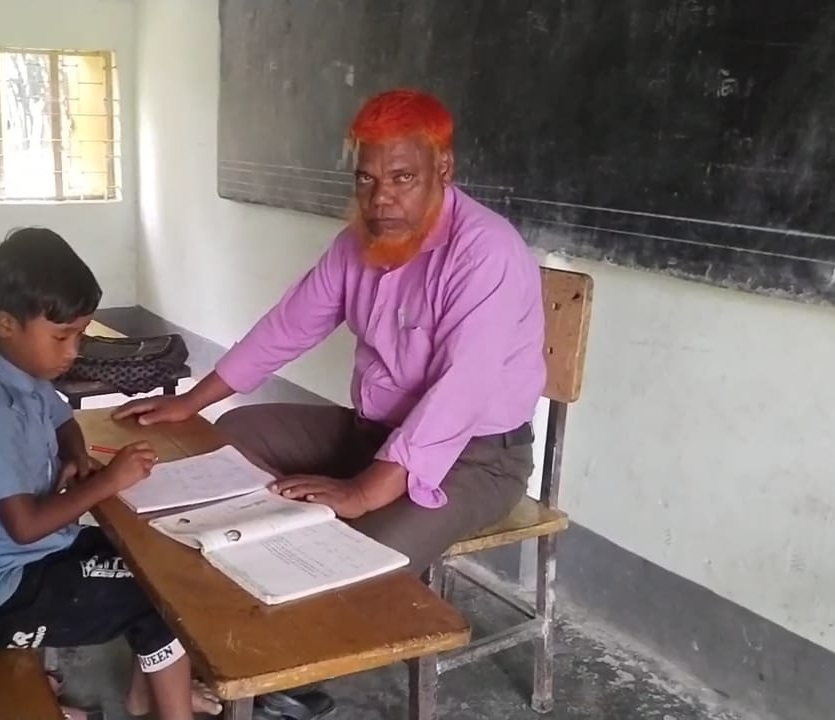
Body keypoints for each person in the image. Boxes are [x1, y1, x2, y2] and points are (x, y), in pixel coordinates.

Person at [113, 89, 546, 719]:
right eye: (367, 179)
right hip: (373, 432)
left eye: (402, 178)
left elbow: (462, 392)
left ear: (443, 169)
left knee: (353, 552)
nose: (381, 199)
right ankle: (198, 631)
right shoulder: (359, 242)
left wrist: (364, 491)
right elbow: (288, 326)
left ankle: (273, 676)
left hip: (475, 458)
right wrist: (193, 402)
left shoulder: (486, 252)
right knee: (236, 432)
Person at [0, 227, 220, 720]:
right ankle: (172, 709)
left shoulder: (22, 376)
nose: (73, 351)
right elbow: (24, 527)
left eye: (80, 334)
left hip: (30, 558)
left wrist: (77, 457)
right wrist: (106, 481)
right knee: (158, 596)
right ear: (6, 324)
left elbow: (64, 422)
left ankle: (148, 693)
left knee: (155, 559)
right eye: (62, 336)